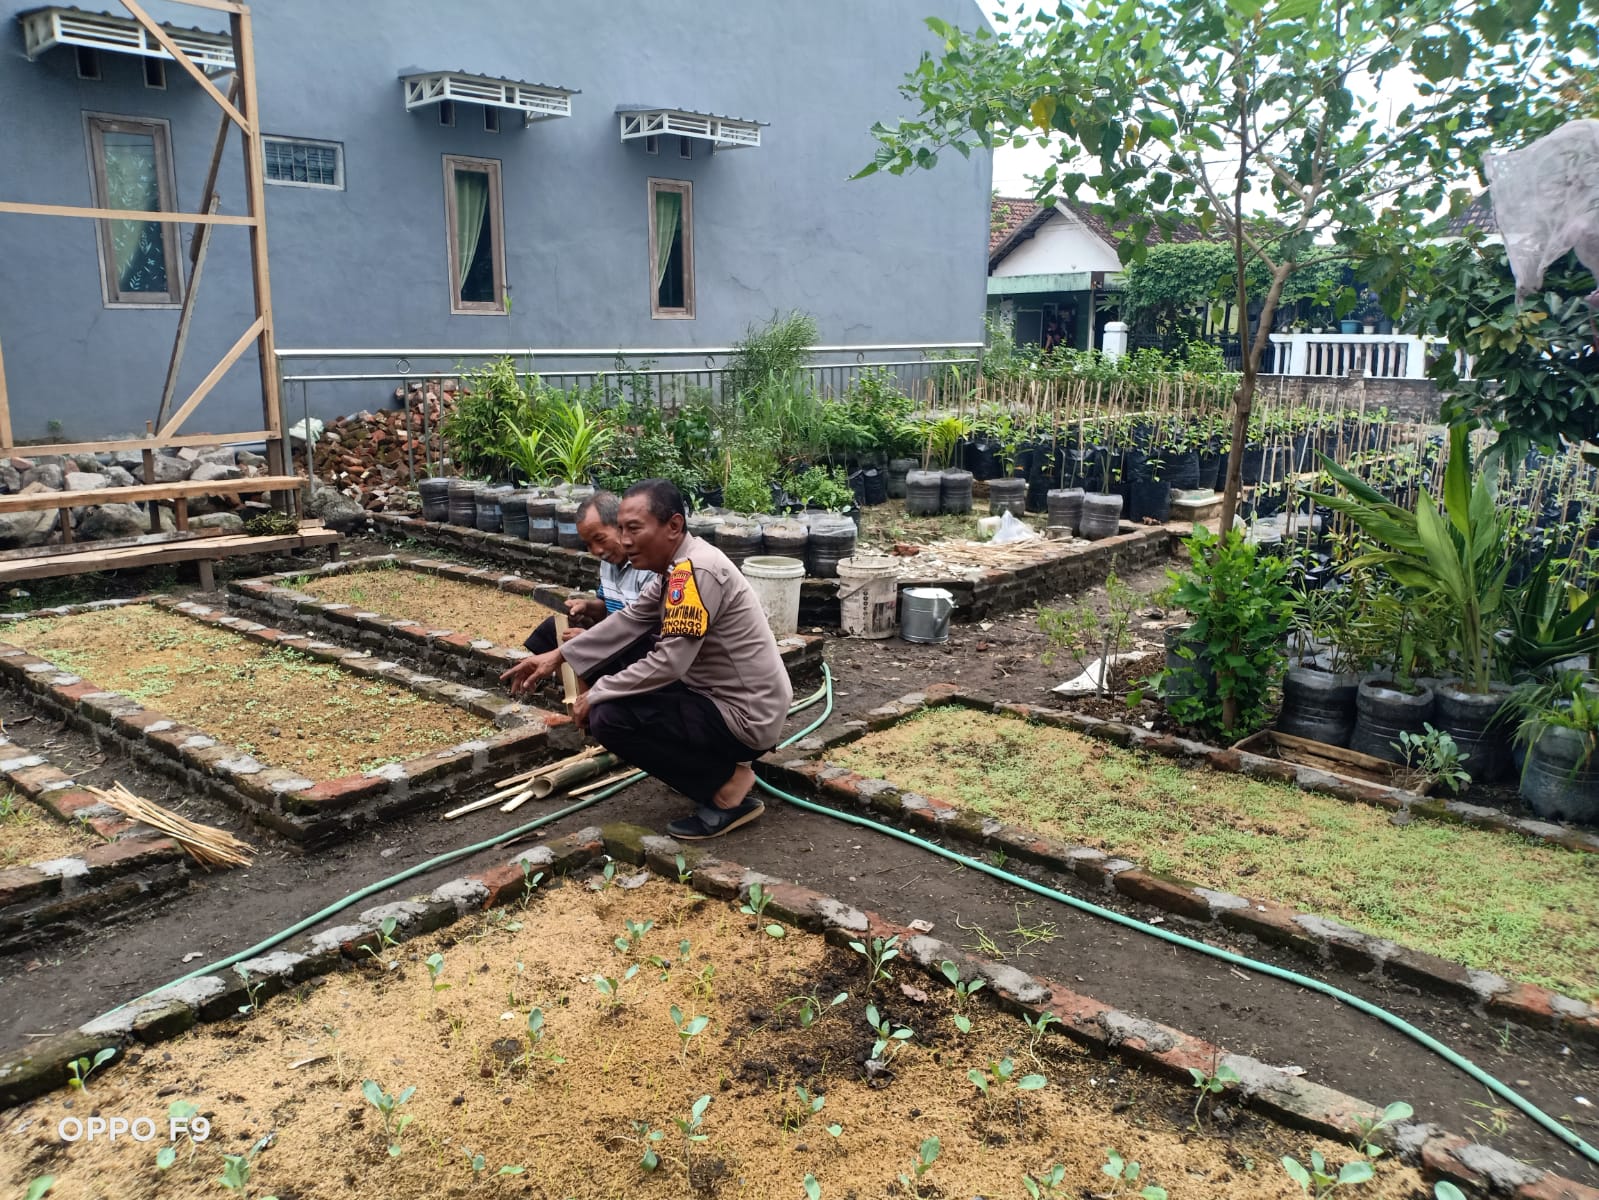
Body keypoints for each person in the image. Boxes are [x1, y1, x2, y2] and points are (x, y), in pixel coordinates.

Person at [500, 479, 793, 839]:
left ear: (673, 526)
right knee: (603, 682)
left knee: (610, 717)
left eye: (634, 529)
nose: (624, 540)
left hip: (745, 715)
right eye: (620, 529)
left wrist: (598, 691)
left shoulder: (694, 572)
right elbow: (630, 619)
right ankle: (713, 768)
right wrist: (558, 655)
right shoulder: (676, 567)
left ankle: (727, 788)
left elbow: (670, 663)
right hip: (719, 697)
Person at [523, 491, 650, 657]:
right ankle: (577, 683)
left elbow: (643, 630)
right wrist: (587, 607)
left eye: (600, 539)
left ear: (621, 527)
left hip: (639, 648)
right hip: (612, 640)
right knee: (552, 630)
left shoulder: (648, 567)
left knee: (578, 647)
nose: (596, 550)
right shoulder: (608, 564)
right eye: (588, 544)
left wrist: (593, 640)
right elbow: (607, 608)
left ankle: (594, 683)